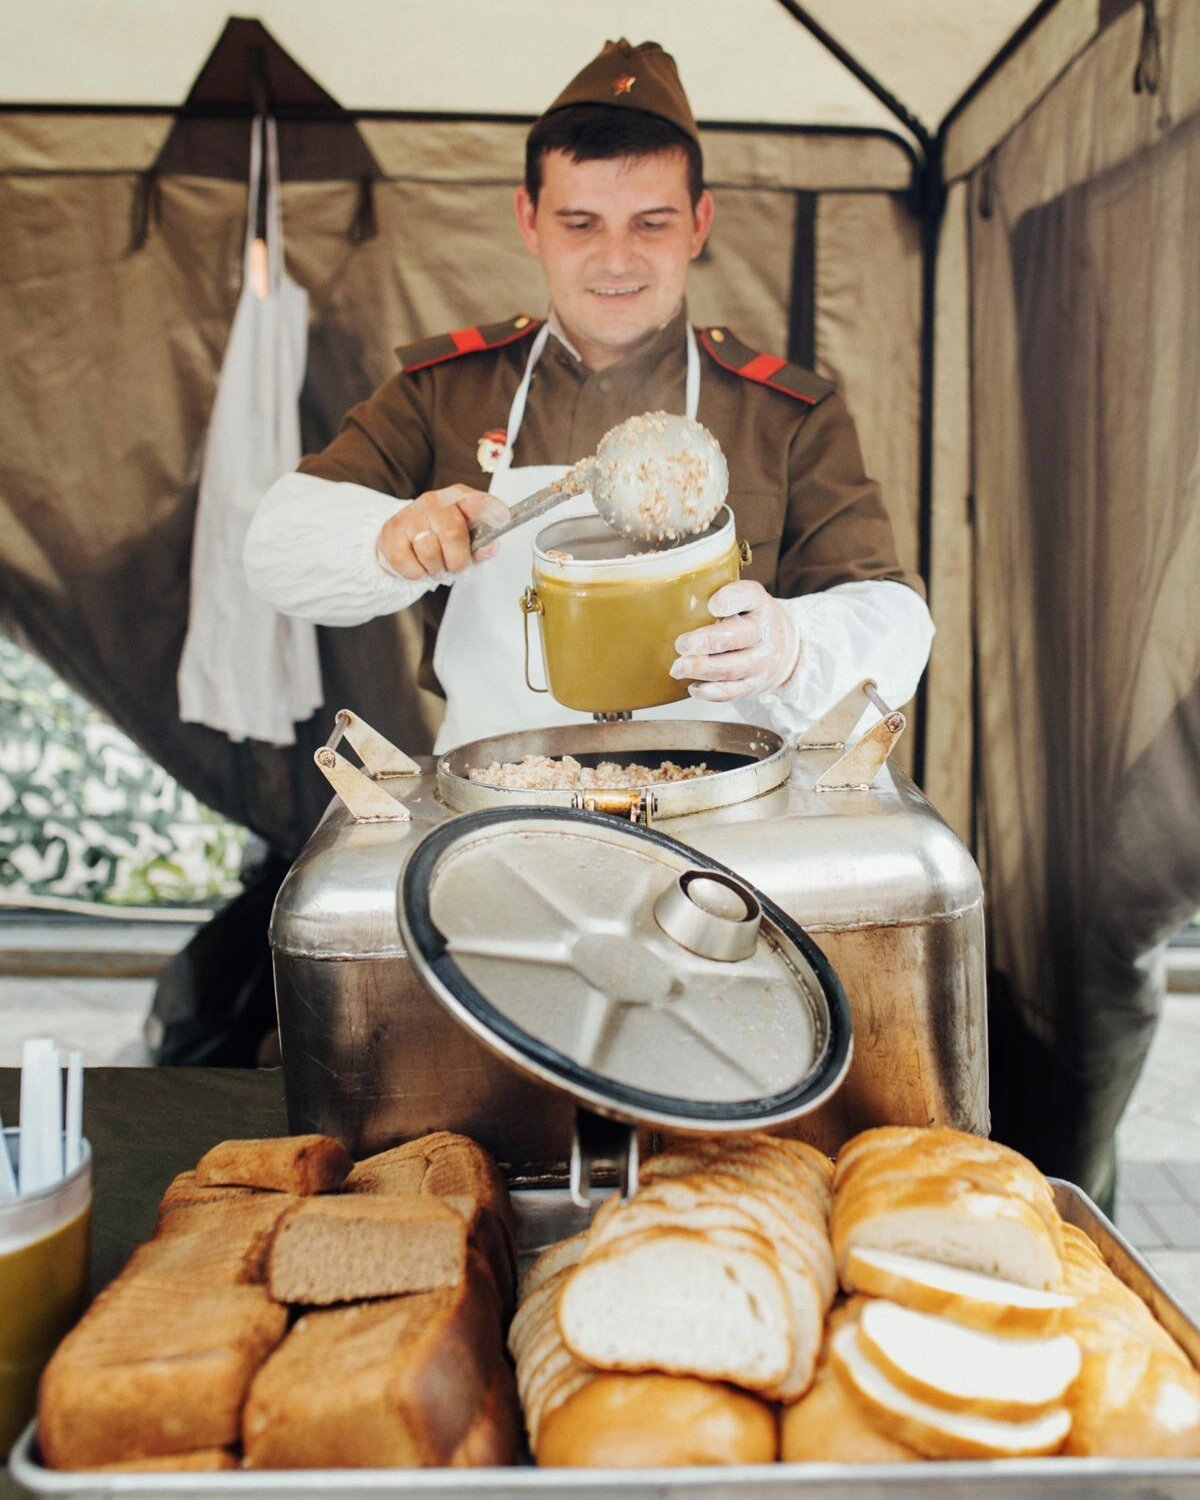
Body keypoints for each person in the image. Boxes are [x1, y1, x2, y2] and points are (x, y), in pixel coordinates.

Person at [245, 39, 934, 752]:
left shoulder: (784, 415)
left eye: (652, 222)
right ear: (528, 219)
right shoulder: (444, 390)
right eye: (580, 224)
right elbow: (276, 545)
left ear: (698, 223)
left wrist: (791, 645)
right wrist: (388, 543)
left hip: (723, 820)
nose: (616, 260)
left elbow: (897, 623)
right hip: (494, 818)